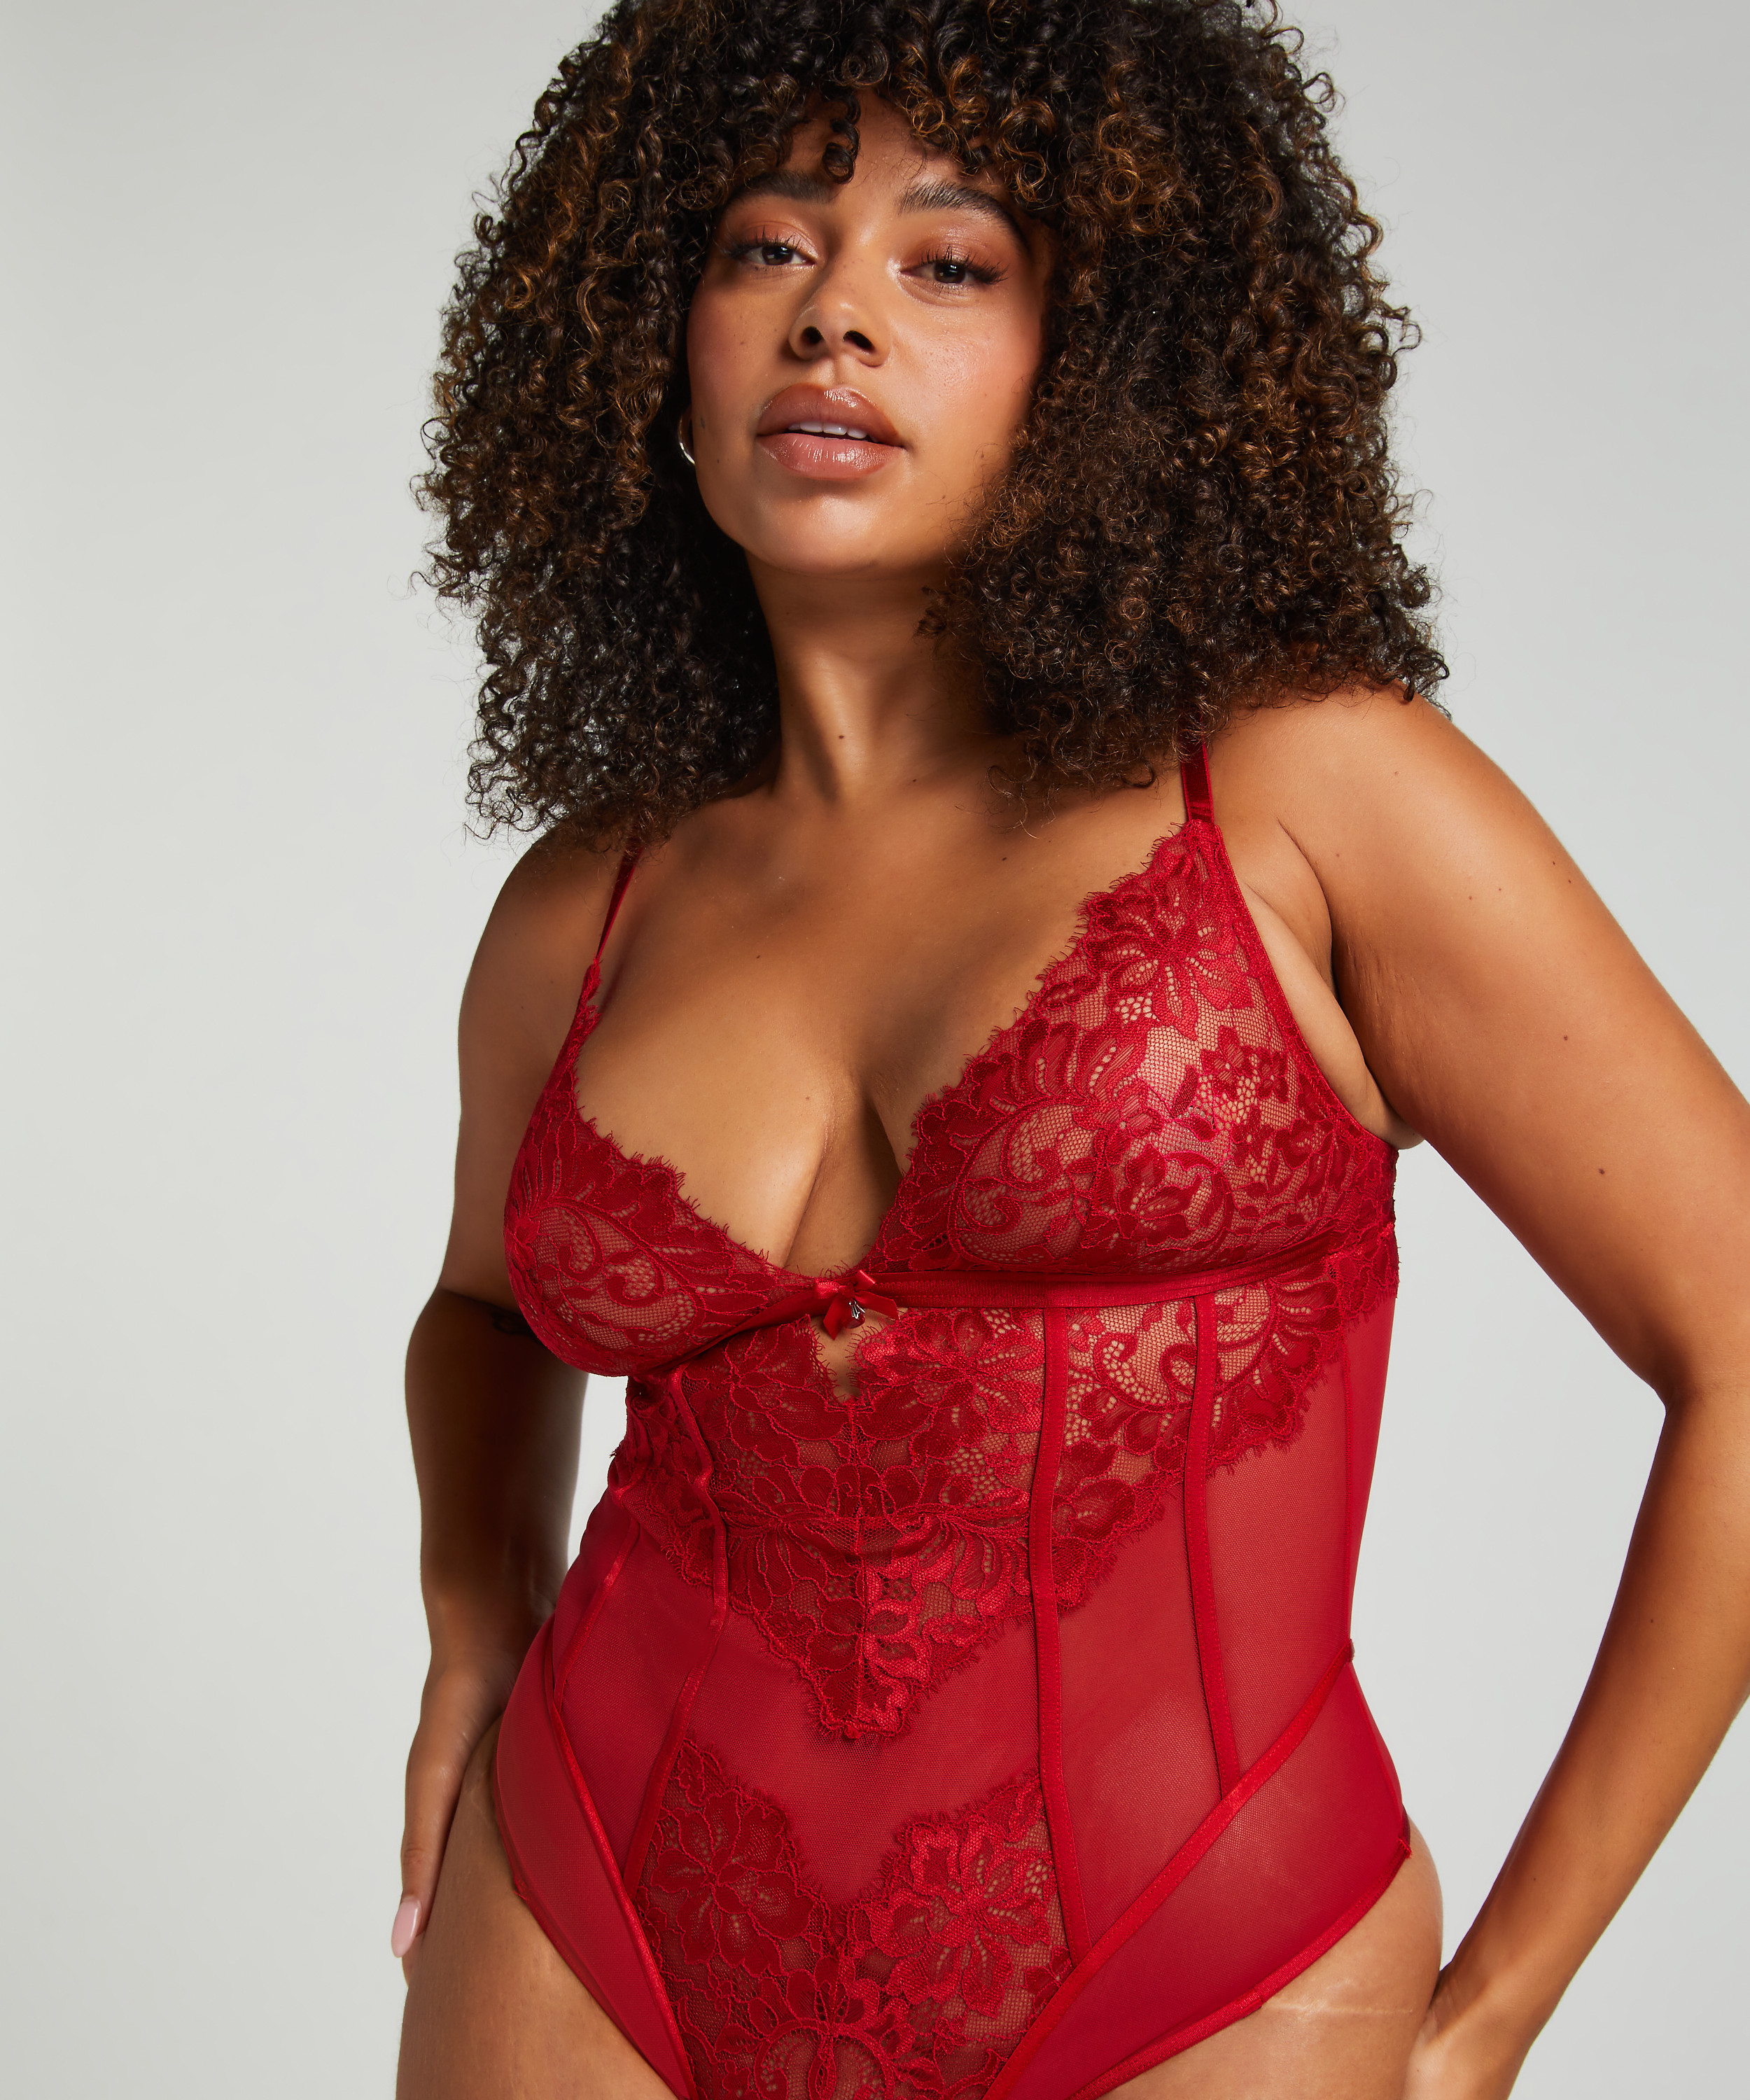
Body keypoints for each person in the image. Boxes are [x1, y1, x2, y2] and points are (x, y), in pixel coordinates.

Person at [391, 3, 1750, 2095]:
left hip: (1196, 1966)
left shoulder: (1305, 797)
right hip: (586, 1928)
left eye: (948, 263)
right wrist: (473, 1639)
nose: (835, 316)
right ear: (652, 342)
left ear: (1104, 361)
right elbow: (488, 1309)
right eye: (766, 247)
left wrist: (1486, 2024)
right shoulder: (590, 902)